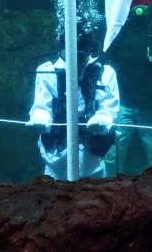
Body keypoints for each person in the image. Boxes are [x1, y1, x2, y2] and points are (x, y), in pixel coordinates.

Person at [25, 30, 120, 180]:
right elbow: (42, 105)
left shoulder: (105, 72)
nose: (74, 62)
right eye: (68, 55)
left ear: (91, 50)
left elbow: (108, 107)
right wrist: (41, 118)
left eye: (80, 56)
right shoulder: (47, 71)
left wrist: (102, 120)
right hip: (56, 159)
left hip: (92, 160)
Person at [105, 5, 152, 176]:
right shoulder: (120, 29)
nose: (139, 9)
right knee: (113, 153)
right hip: (123, 101)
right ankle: (109, 188)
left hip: (150, 103)